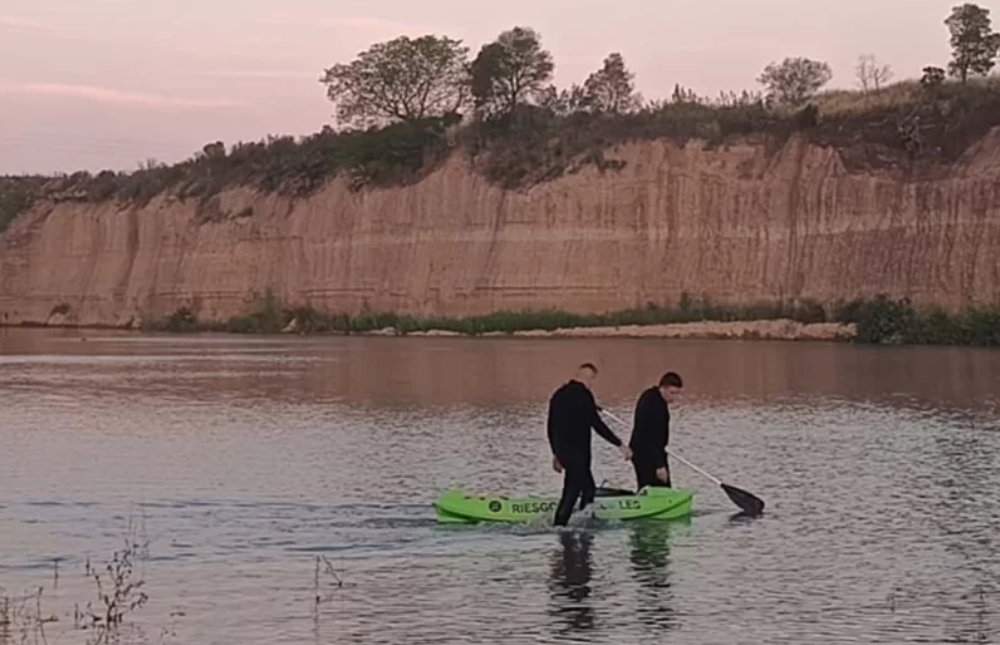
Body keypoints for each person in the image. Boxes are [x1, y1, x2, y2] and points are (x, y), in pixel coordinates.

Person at [547, 363, 632, 527]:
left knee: (589, 488)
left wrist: (555, 453)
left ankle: (584, 522)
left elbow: (550, 426)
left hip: (563, 451)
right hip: (578, 453)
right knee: (571, 491)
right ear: (591, 379)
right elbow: (597, 424)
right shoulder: (584, 395)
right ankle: (559, 527)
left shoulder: (558, 394)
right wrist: (620, 444)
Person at [629, 372, 683, 490]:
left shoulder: (652, 396)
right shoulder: (654, 406)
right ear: (662, 388)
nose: (674, 397)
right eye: (672, 393)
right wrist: (659, 465)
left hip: (650, 450)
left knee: (658, 487)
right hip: (646, 453)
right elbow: (652, 437)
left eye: (677, 393)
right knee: (656, 488)